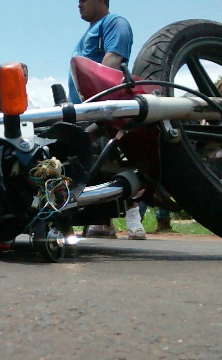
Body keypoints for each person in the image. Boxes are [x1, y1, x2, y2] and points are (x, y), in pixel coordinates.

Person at [70, 0, 145, 240]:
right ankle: (104, 222)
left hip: (102, 106)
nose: (78, 2)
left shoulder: (114, 23)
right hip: (82, 109)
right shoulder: (86, 34)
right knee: (91, 164)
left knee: (112, 161)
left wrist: (97, 102)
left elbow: (112, 61)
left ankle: (134, 217)